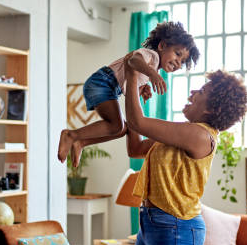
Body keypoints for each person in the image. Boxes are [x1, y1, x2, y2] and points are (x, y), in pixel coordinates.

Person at [124, 65, 247, 245]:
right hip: (151, 224)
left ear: (210, 109)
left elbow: (139, 122)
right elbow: (135, 147)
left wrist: (133, 75)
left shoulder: (201, 134)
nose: (193, 91)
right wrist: (137, 97)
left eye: (202, 91)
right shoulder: (180, 132)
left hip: (176, 229)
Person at [57, 21, 199, 167]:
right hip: (102, 83)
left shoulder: (153, 67)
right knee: (116, 126)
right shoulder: (152, 56)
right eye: (177, 54)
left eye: (182, 61)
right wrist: (151, 73)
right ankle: (71, 135)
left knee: (121, 129)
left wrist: (143, 87)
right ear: (162, 46)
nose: (178, 62)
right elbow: (133, 60)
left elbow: (132, 78)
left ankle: (82, 141)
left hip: (107, 87)